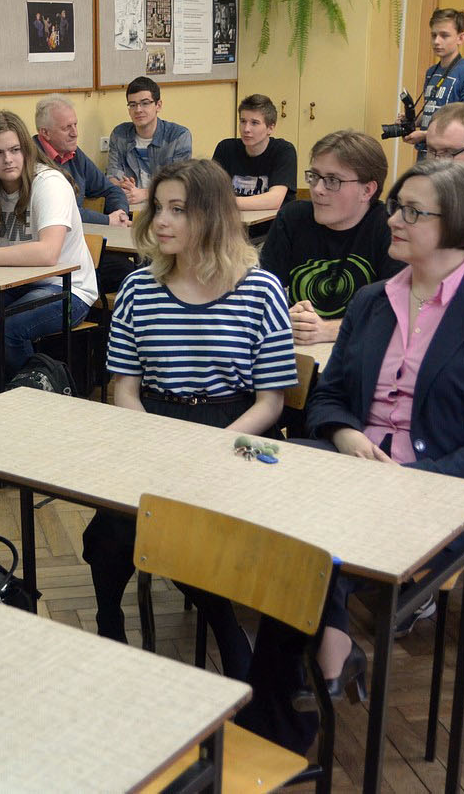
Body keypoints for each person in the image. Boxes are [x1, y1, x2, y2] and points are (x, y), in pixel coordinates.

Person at [237, 160, 464, 754]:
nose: (394, 220)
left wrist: (408, 478)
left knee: (301, 555)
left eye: (412, 212)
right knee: (266, 512)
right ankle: (320, 663)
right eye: (397, 207)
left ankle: (277, 723)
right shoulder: (372, 300)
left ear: (458, 225)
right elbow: (327, 397)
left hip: (440, 488)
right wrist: (347, 436)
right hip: (351, 469)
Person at [84, 158, 296, 677]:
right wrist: (158, 442)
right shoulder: (139, 288)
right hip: (154, 423)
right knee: (111, 530)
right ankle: (109, 618)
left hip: (241, 430)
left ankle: (225, 626)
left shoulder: (260, 289)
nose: (161, 221)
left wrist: (210, 448)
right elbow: (124, 390)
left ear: (213, 216)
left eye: (178, 210)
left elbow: (270, 403)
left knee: (196, 529)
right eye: (158, 207)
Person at [0, 111, 98, 391]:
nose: (8, 159)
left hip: (68, 289)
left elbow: (48, 253)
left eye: (15, 150)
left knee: (8, 327)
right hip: (14, 287)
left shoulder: (49, 183)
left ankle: (37, 396)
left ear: (27, 149)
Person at [260, 130, 402, 344]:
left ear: (367, 190)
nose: (317, 189)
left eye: (333, 180)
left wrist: (328, 330)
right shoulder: (292, 218)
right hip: (299, 351)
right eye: (315, 176)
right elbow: (261, 296)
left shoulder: (391, 228)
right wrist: (283, 317)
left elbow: (396, 315)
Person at [34, 94, 134, 293]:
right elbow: (65, 212)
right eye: (66, 128)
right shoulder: (31, 159)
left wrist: (121, 213)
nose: (75, 133)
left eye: (75, 125)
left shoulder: (74, 155)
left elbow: (110, 189)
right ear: (45, 133)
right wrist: (107, 220)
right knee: (128, 271)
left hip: (79, 246)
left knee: (133, 268)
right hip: (52, 256)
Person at [402, 8, 464, 157]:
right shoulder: (431, 72)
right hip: (426, 152)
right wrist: (411, 121)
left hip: (450, 156)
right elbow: (432, 110)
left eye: (444, 35)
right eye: (433, 35)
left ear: (461, 38)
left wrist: (426, 134)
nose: (436, 41)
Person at [106, 76, 193, 206]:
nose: (138, 110)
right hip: (129, 208)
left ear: (158, 105)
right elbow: (111, 175)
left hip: (167, 208)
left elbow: (180, 184)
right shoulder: (120, 135)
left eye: (145, 103)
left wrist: (145, 194)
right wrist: (122, 186)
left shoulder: (178, 136)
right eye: (132, 105)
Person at [212, 93, 297, 211]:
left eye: (254, 123)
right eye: (243, 121)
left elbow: (274, 200)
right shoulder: (225, 148)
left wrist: (225, 202)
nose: (246, 129)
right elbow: (210, 191)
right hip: (235, 220)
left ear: (270, 128)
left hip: (272, 221)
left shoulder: (284, 151)